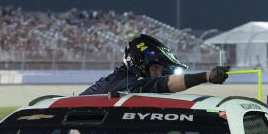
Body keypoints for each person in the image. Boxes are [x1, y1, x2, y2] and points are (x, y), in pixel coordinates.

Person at [80, 34, 229, 95]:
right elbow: (163, 84)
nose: (159, 73)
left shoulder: (123, 80)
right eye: (156, 67)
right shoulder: (125, 82)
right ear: (139, 64)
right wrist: (207, 76)